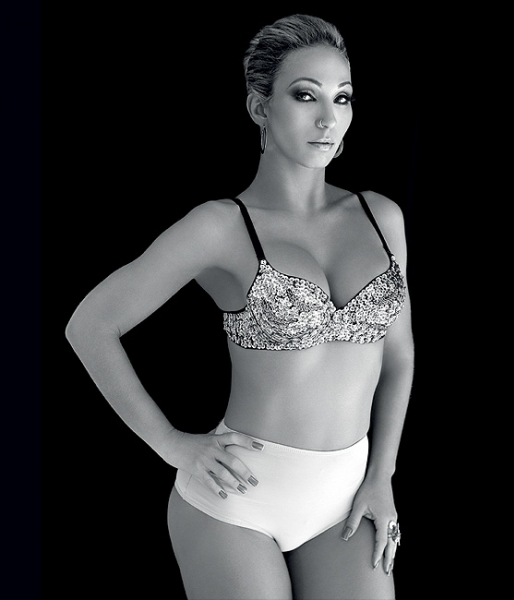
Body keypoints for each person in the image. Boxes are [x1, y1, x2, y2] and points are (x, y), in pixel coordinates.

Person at [66, 13, 414, 600]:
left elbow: (399, 356)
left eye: (342, 97)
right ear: (260, 107)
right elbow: (90, 325)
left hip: (348, 499)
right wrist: (171, 443)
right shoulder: (221, 227)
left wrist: (382, 475)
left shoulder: (381, 217)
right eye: (305, 95)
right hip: (235, 502)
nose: (328, 118)